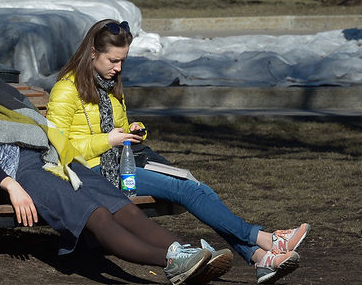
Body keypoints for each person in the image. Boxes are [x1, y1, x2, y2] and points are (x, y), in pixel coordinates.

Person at [0, 46, 227, 285]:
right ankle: (172, 262)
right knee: (96, 215)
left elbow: (44, 132)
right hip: (23, 172)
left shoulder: (5, 93)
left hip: (58, 161)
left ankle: (185, 253)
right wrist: (12, 186)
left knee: (122, 207)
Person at [46, 19, 309, 285]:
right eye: (113, 60)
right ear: (92, 53)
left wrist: (135, 131)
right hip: (92, 171)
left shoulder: (109, 87)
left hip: (121, 160)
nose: (119, 68)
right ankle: (264, 241)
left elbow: (119, 128)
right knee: (189, 190)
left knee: (195, 186)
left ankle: (259, 256)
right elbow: (57, 147)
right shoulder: (66, 90)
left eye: (123, 60)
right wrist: (107, 140)